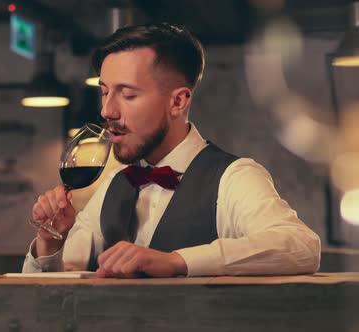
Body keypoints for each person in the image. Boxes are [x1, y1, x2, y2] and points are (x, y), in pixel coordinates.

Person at [22, 23, 321, 278]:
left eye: (127, 94)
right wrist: (50, 243)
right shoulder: (113, 184)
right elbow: (59, 288)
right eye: (104, 92)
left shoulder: (235, 177)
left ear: (178, 102)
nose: (106, 110)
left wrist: (177, 261)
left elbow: (301, 246)